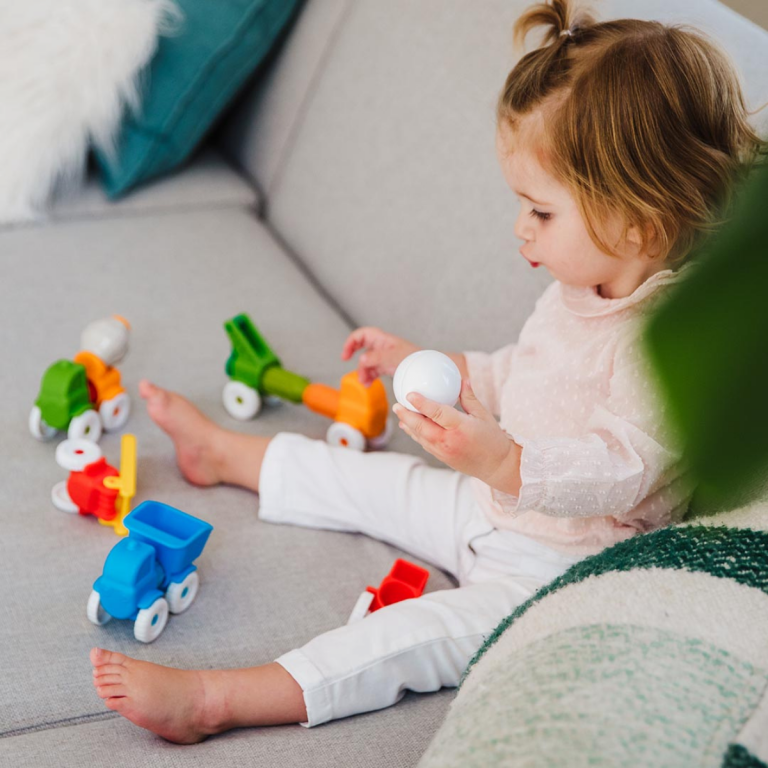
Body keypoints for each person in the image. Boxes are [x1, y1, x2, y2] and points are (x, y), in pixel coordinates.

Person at [90, 0, 766, 744]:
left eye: (541, 212)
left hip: (557, 566)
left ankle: (217, 699)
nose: (520, 229)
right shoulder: (580, 287)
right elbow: (525, 373)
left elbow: (624, 469)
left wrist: (505, 463)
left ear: (641, 223)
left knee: (407, 640)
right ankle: (224, 454)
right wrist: (435, 364)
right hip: (489, 508)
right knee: (370, 479)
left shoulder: (665, 340)